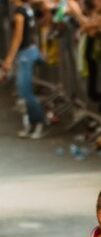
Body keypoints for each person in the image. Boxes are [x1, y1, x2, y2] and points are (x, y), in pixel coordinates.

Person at [2, 0, 46, 139]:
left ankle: (39, 122)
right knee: (24, 91)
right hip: (30, 51)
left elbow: (18, 37)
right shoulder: (27, 8)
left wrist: (9, 58)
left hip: (25, 54)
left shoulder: (19, 12)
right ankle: (32, 124)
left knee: (25, 91)